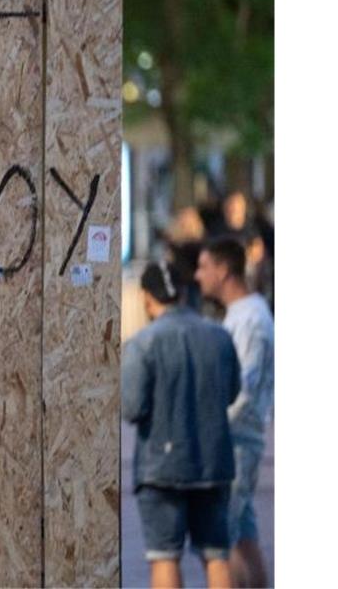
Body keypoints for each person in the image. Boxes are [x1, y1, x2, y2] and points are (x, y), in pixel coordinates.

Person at [122, 261, 240, 589]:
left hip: (161, 468)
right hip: (214, 462)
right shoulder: (220, 337)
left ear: (147, 297)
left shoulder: (141, 344)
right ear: (185, 292)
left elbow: (131, 408)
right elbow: (231, 394)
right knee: (216, 555)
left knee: (164, 557)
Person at [195, 237, 275, 588]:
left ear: (223, 270)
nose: (198, 276)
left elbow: (243, 388)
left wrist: (210, 428)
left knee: (217, 543)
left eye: (204, 267)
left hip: (236, 440)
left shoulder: (252, 319)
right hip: (234, 437)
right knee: (242, 535)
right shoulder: (242, 314)